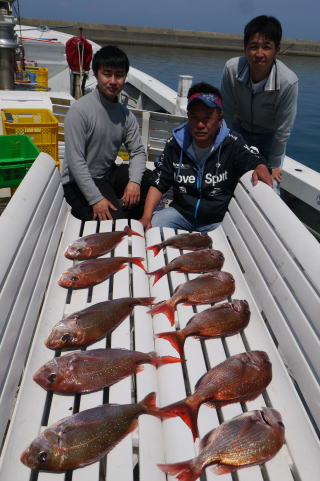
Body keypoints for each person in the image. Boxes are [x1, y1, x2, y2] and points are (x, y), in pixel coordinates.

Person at [139, 82, 272, 232]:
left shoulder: (232, 143)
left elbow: (252, 157)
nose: (200, 124)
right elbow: (159, 182)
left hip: (216, 221)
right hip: (181, 214)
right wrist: (146, 216)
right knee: (154, 225)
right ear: (188, 117)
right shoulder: (174, 143)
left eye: (207, 118)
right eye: (194, 117)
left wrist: (260, 165)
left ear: (219, 120)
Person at [61, 45, 151, 221]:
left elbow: (138, 152)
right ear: (96, 73)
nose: (113, 81)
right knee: (114, 220)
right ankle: (105, 210)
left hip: (106, 175)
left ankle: (133, 215)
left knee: (148, 179)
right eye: (107, 73)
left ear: (125, 77)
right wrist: (95, 199)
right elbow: (75, 161)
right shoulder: (80, 111)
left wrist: (134, 182)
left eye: (119, 75)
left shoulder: (125, 115)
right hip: (76, 183)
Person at [220, 15, 298, 191]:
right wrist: (229, 148)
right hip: (238, 131)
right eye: (254, 47)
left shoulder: (288, 82)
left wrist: (275, 165)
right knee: (224, 178)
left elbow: (282, 132)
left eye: (267, 47)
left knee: (270, 186)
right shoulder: (232, 69)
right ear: (245, 48)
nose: (259, 53)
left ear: (277, 50)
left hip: (270, 139)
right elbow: (227, 113)